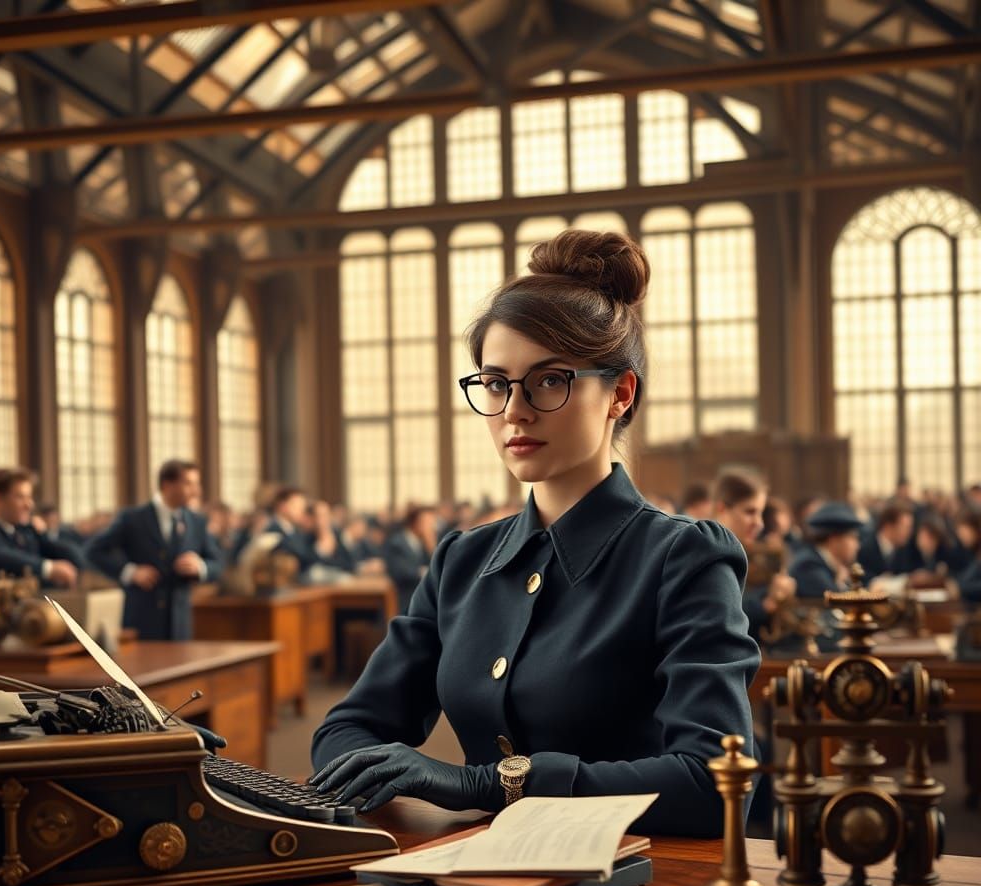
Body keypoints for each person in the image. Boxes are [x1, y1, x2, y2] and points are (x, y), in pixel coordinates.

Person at [310, 229, 759, 837]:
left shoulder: (684, 556)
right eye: (496, 383)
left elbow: (713, 785)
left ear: (619, 394)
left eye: (550, 380)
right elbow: (345, 730)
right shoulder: (462, 561)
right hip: (475, 882)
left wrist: (486, 783)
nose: (514, 409)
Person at [85, 459, 223, 640]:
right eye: (189, 484)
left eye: (197, 484)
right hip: (141, 620)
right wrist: (129, 571)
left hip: (179, 626)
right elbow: (93, 551)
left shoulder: (197, 522)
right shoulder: (133, 518)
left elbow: (218, 562)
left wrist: (201, 567)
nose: (197, 491)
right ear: (167, 485)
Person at [0, 468, 83, 626]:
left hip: (25, 625)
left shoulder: (23, 530)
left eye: (30, 497)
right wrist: (47, 568)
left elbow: (76, 558)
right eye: (20, 497)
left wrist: (42, 534)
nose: (29, 505)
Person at [712, 469, 795, 642]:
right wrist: (767, 604)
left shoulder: (748, 551)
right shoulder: (707, 552)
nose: (759, 523)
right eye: (750, 512)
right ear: (722, 509)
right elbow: (718, 615)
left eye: (760, 513)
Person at [788, 501, 863, 597]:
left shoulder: (827, 564)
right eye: (853, 538)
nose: (857, 546)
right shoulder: (808, 565)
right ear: (834, 540)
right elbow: (838, 601)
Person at [383, 505, 437, 614]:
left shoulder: (424, 542)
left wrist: (431, 547)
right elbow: (400, 573)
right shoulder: (397, 542)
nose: (432, 527)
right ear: (416, 523)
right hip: (404, 597)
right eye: (428, 523)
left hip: (422, 596)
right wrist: (423, 572)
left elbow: (436, 567)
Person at [857, 501, 914, 583]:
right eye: (906, 527)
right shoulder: (865, 549)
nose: (909, 532)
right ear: (888, 526)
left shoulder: (904, 549)